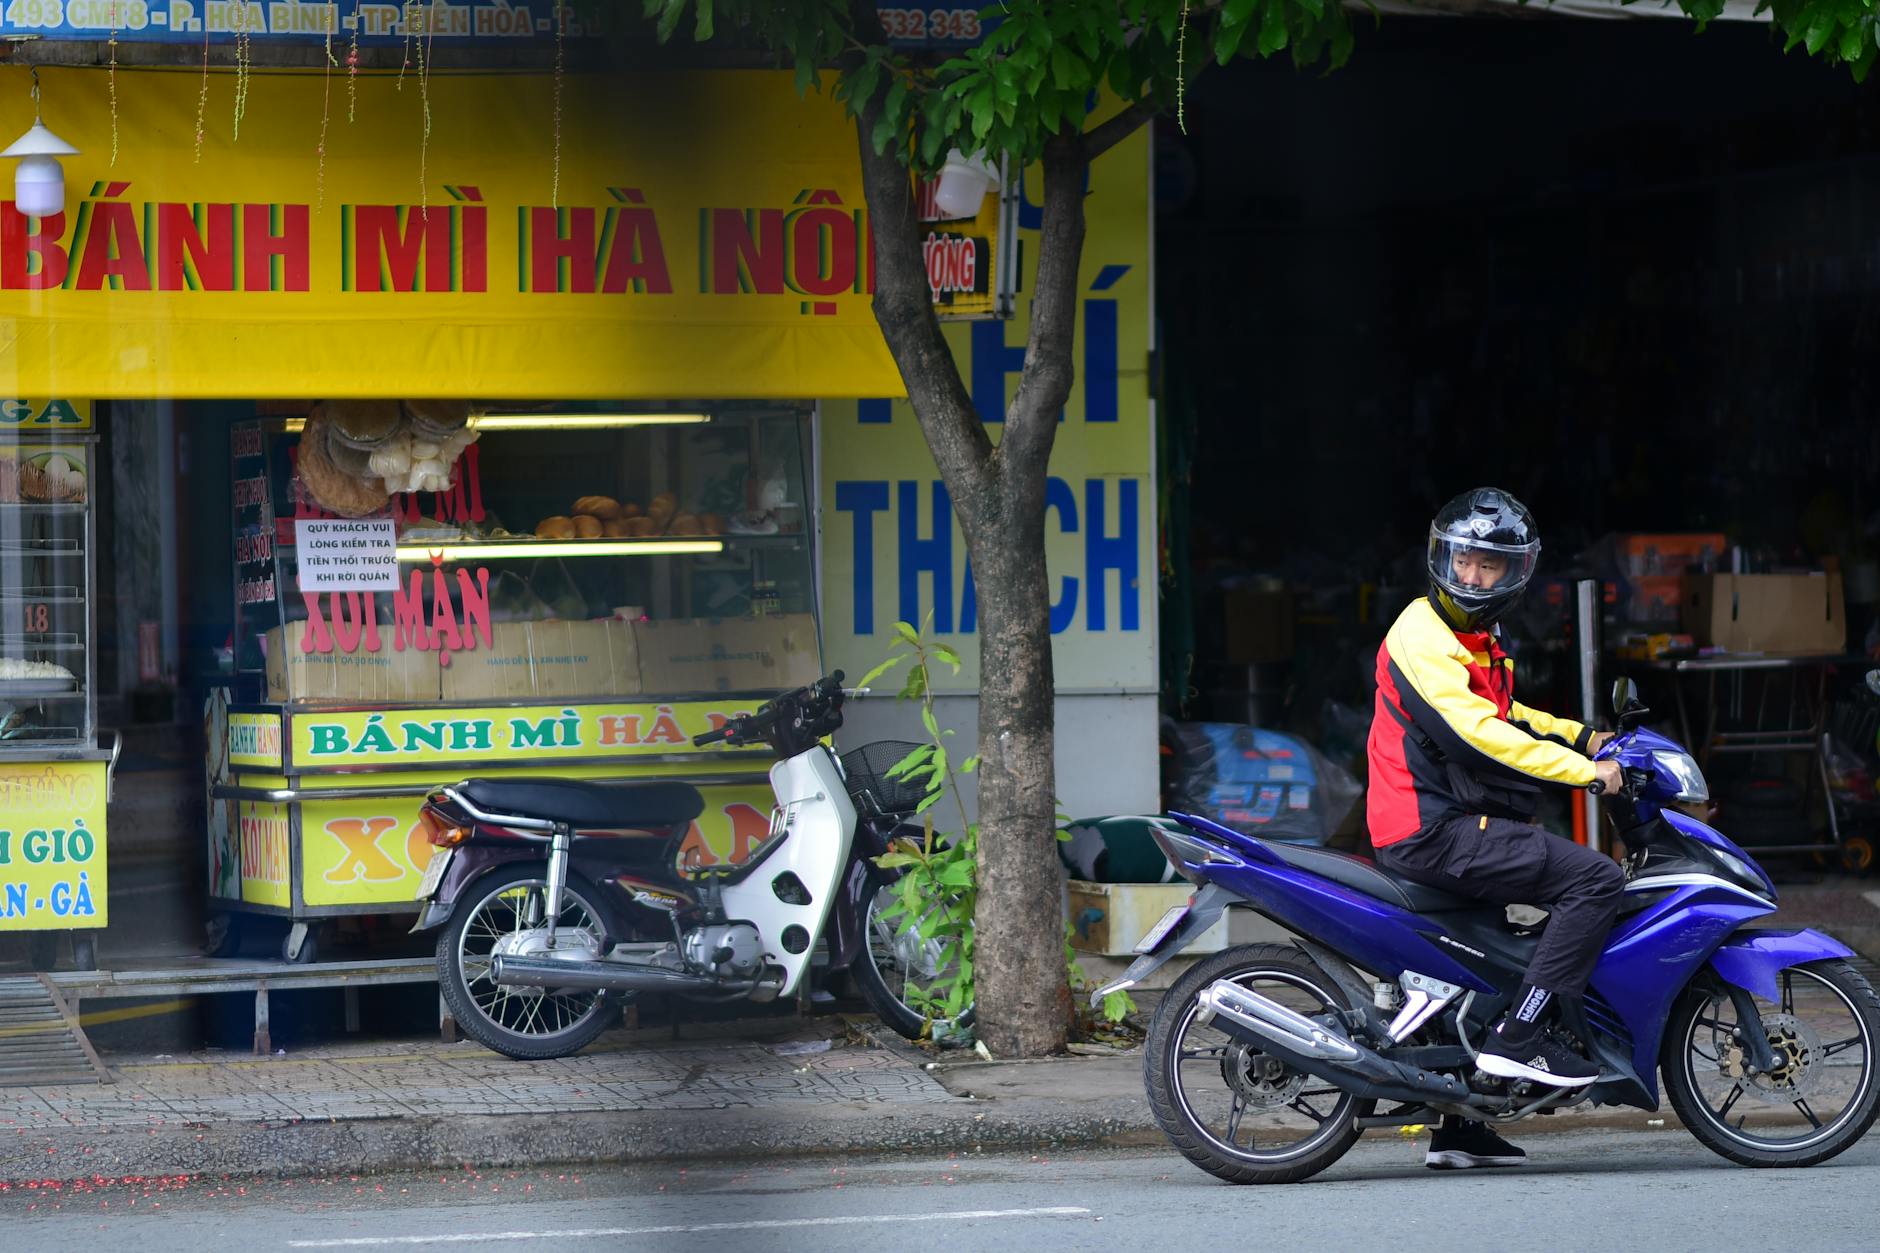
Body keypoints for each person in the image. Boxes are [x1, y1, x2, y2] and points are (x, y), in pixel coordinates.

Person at [1366, 487, 1624, 1170]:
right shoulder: (1421, 634)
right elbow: (1478, 736)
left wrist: (1585, 736)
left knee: (1481, 962)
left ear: (1515, 573)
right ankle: (1520, 1037)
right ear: (1440, 557)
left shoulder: (1475, 640)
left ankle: (1459, 1126)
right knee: (1595, 879)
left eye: (1490, 566)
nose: (1473, 577)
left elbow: (1510, 715)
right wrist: (1582, 772)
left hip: (1447, 822)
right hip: (1434, 828)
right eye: (1465, 561)